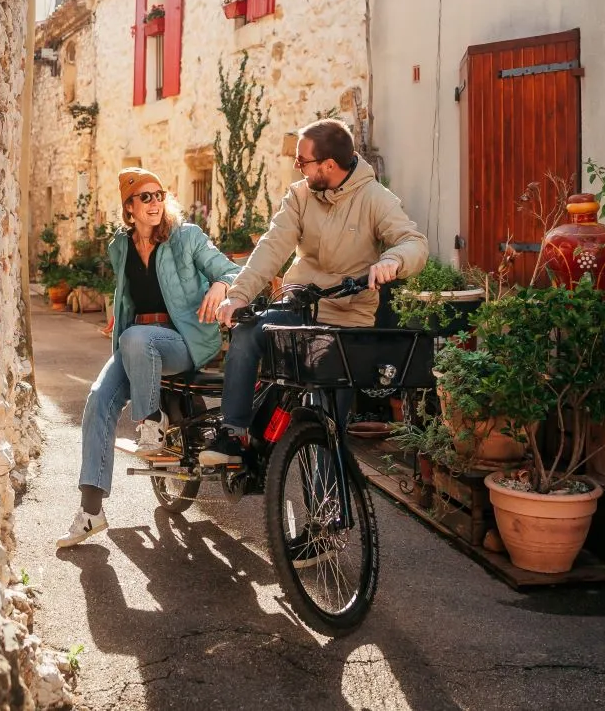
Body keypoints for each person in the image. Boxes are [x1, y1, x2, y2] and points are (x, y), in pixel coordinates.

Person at [203, 119, 427, 467]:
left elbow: (413, 242)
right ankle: (233, 433)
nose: (297, 167)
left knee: (327, 424)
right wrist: (239, 294)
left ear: (328, 165)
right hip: (298, 308)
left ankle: (329, 514)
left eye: (302, 161)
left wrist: (394, 260)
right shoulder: (300, 195)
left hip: (347, 320)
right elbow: (272, 247)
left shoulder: (374, 198)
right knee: (248, 332)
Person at [57, 167, 242, 548]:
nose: (155, 202)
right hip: (135, 344)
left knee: (137, 338)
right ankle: (91, 512)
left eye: (159, 195)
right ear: (129, 208)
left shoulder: (186, 237)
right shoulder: (120, 246)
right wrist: (119, 317)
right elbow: (128, 293)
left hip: (183, 342)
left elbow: (234, 270)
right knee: (97, 401)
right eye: (145, 197)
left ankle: (150, 420)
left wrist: (222, 285)